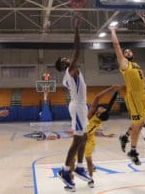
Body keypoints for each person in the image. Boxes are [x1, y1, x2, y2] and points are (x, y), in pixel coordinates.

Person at [55, 17, 92, 191]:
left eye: (66, 59)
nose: (67, 60)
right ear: (64, 66)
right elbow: (77, 50)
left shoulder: (70, 74)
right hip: (77, 106)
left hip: (81, 106)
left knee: (84, 137)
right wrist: (76, 29)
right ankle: (65, 170)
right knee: (77, 139)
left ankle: (79, 166)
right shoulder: (71, 70)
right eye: (64, 60)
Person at [67, 85, 120, 190]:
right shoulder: (100, 119)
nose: (102, 107)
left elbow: (97, 98)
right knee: (88, 160)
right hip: (90, 140)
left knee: (72, 161)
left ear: (99, 113)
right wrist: (116, 93)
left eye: (102, 109)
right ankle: (90, 180)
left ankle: (71, 182)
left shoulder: (91, 115)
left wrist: (111, 89)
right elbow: (110, 105)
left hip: (81, 139)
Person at [109, 25, 145, 165]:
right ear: (123, 56)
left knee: (141, 122)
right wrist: (113, 31)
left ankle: (125, 137)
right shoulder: (124, 64)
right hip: (134, 97)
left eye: (129, 50)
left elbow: (141, 79)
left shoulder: (136, 65)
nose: (127, 52)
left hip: (142, 96)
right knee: (137, 124)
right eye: (125, 51)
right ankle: (132, 150)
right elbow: (116, 46)